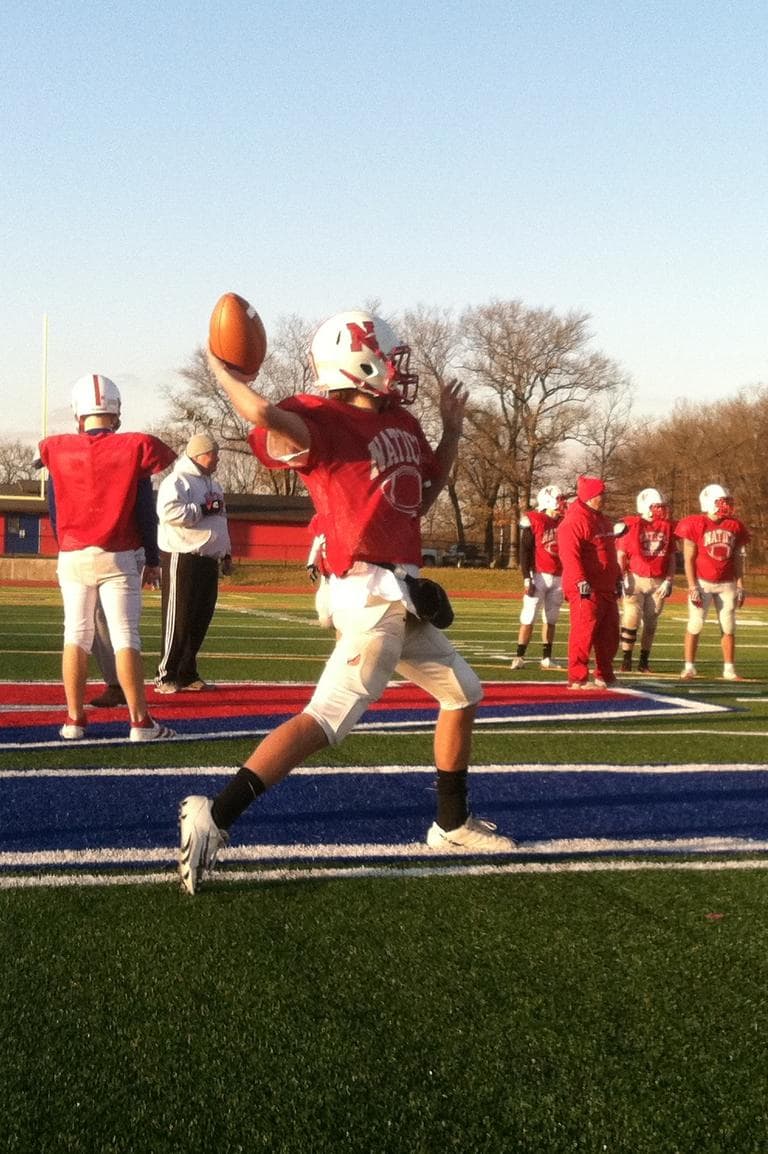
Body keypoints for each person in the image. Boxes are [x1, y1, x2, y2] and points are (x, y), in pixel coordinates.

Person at [178, 308, 515, 893]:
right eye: (386, 356)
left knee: (462, 694)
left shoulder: (404, 423)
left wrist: (452, 433)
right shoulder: (319, 418)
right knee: (324, 720)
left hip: (400, 592)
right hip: (366, 594)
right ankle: (214, 815)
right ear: (357, 362)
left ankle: (452, 821)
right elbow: (259, 413)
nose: (397, 367)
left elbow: (421, 495)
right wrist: (222, 369)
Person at [38, 373, 177, 741]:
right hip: (118, 554)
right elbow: (146, 510)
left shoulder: (59, 450)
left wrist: (69, 541)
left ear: (78, 415)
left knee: (76, 634)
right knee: (125, 636)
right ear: (115, 414)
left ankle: (73, 719)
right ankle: (139, 722)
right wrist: (151, 556)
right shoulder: (132, 448)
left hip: (72, 555)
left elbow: (53, 508)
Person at [154, 433, 232, 693]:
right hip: (183, 554)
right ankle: (165, 673)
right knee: (179, 616)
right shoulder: (177, 481)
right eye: (215, 453)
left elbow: (221, 520)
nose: (218, 458)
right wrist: (201, 509)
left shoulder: (215, 485)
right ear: (201, 454)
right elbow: (168, 512)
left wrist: (226, 552)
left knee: (201, 617)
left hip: (208, 557)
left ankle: (187, 672)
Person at [675, 484, 750, 681]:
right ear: (709, 503)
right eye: (721, 502)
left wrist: (740, 584)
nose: (725, 505)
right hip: (702, 582)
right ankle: (689, 666)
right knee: (696, 623)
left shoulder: (735, 525)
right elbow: (688, 558)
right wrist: (692, 586)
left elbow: (737, 558)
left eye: (726, 501)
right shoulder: (694, 523)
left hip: (727, 583)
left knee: (729, 626)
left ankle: (729, 669)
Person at [557, 475, 621, 689]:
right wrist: (579, 581)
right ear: (590, 496)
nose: (604, 497)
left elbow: (609, 552)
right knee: (583, 632)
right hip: (587, 587)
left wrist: (617, 576)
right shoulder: (574, 521)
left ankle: (604, 674)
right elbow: (570, 555)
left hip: (606, 586)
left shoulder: (601, 519)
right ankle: (578, 677)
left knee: (609, 634)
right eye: (601, 493)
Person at [617, 487, 677, 673]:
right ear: (645, 507)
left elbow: (671, 556)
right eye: (656, 506)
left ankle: (644, 661)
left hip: (658, 580)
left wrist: (669, 579)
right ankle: (626, 660)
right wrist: (622, 575)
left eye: (661, 506)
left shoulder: (667, 527)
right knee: (631, 618)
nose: (660, 510)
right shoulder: (632, 525)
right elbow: (621, 554)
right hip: (635, 577)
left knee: (651, 623)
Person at [510, 484, 565, 671]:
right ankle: (519, 656)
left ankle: (547, 658)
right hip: (539, 575)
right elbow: (525, 550)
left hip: (559, 575)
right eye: (558, 500)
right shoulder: (535, 520)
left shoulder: (563, 522)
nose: (562, 504)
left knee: (551, 618)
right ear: (548, 501)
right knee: (529, 616)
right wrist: (527, 577)